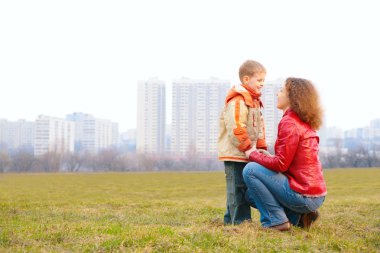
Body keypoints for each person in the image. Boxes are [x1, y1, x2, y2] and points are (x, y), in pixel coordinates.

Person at [243, 77, 327, 231]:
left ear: (292, 97)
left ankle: (276, 221)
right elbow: (288, 161)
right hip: (315, 195)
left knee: (251, 170)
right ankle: (299, 217)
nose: (277, 94)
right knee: (250, 195)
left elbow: (281, 164)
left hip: (304, 195)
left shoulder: (289, 123)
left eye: (281, 90)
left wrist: (252, 154)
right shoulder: (303, 121)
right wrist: (267, 157)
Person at [218, 60, 268, 225]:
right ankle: (240, 223)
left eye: (263, 80)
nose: (262, 84)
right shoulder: (238, 101)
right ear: (246, 80)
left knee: (241, 188)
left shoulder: (254, 101)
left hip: (248, 153)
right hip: (236, 154)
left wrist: (261, 148)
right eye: (259, 80)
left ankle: (229, 220)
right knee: (236, 189)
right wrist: (247, 147)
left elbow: (259, 127)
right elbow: (236, 128)